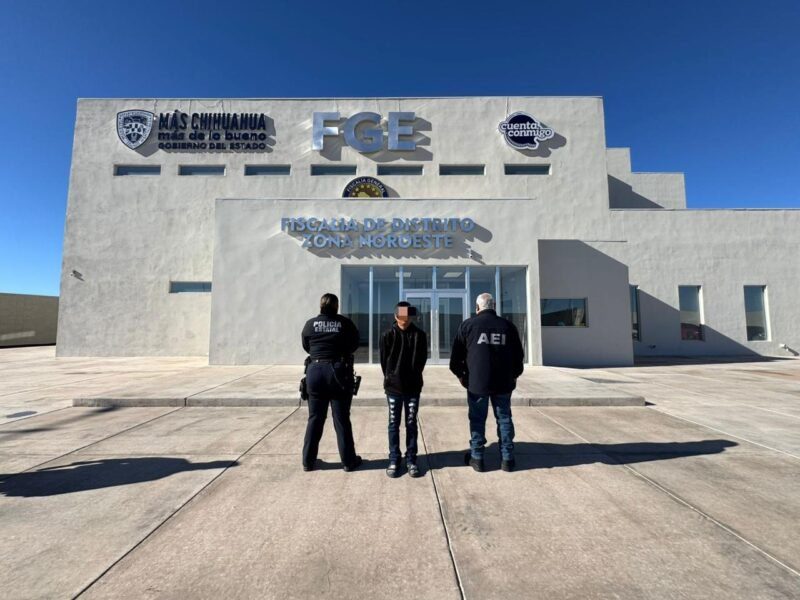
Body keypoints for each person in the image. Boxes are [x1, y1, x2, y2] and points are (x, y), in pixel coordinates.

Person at [449, 292, 524, 472]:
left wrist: (462, 376)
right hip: (503, 384)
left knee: (477, 420)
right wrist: (514, 375)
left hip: (477, 384)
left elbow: (455, 359)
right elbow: (519, 357)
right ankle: (507, 459)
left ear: (477, 308)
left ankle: (477, 458)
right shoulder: (508, 326)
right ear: (494, 306)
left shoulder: (468, 325)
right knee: (504, 419)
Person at [301, 293, 362, 472]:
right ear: (336, 306)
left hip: (315, 372)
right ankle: (349, 462)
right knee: (341, 419)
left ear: (320, 306)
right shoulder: (345, 323)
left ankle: (308, 461)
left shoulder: (310, 324)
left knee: (315, 418)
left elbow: (306, 346)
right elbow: (354, 345)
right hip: (338, 374)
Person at [379, 301, 428, 478]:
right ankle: (394, 458)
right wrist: (391, 377)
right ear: (395, 316)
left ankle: (411, 459)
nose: (404, 320)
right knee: (393, 423)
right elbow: (384, 361)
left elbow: (422, 359)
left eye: (407, 317)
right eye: (401, 316)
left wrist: (413, 375)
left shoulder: (420, 335)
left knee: (411, 423)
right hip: (393, 388)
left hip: (413, 387)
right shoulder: (387, 335)